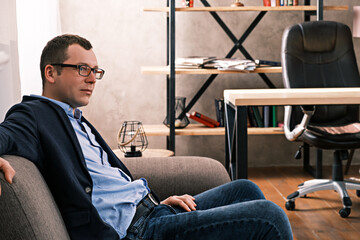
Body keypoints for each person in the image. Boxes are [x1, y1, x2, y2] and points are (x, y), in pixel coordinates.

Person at [0, 34, 293, 240]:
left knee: (245, 190)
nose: (92, 78)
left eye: (95, 70)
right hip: (138, 233)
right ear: (51, 73)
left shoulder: (75, 119)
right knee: (270, 216)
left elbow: (109, 183)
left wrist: (154, 202)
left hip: (153, 213)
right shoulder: (33, 115)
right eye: (82, 69)